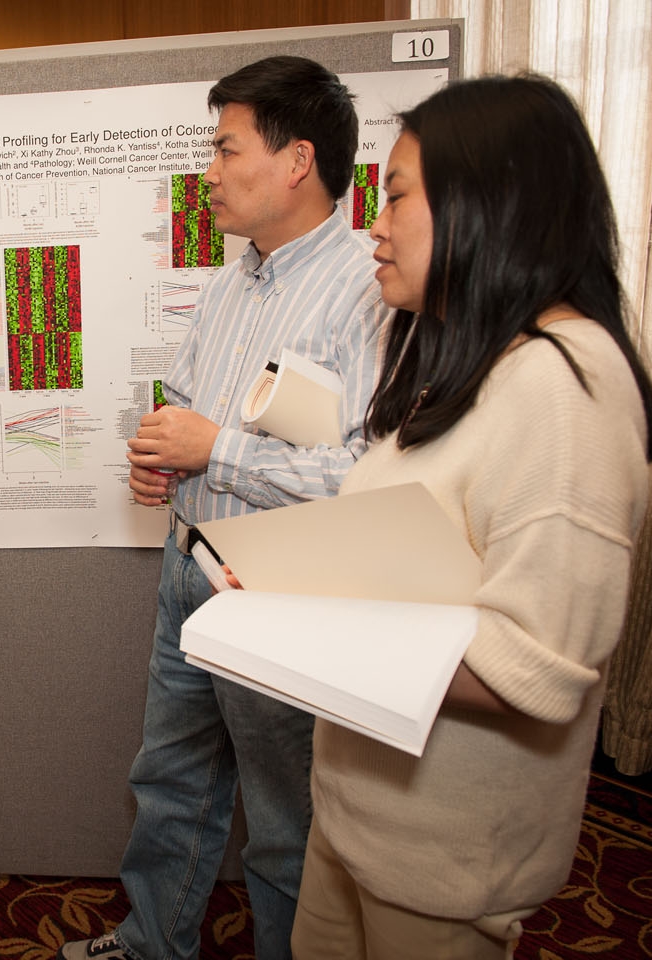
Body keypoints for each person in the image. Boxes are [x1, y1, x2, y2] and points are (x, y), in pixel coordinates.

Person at [289, 73, 652, 960]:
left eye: (394, 198)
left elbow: (527, 671)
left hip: (442, 849)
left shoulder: (563, 387)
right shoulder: (470, 358)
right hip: (361, 812)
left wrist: (299, 626)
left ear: (481, 204)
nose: (371, 227)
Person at [60, 56, 390, 960]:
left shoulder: (371, 290)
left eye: (223, 148)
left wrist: (219, 450)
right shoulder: (225, 283)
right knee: (169, 778)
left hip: (278, 586)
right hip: (187, 566)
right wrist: (162, 462)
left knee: (282, 820)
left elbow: (366, 477)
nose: (206, 171)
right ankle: (150, 945)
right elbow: (192, 415)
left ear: (296, 161)